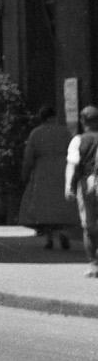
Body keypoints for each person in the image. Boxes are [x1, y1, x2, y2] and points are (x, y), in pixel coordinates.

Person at [19, 106, 78, 249]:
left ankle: (49, 238)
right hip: (63, 168)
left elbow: (29, 157)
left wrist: (25, 174)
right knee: (62, 203)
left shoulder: (36, 133)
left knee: (46, 205)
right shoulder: (64, 132)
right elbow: (73, 150)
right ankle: (64, 233)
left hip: (43, 170)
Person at [65, 105, 98, 279]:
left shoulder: (78, 140)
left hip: (86, 185)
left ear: (83, 121)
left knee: (89, 226)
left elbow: (72, 164)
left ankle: (93, 264)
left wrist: (68, 185)